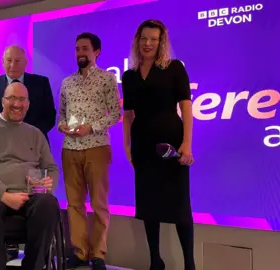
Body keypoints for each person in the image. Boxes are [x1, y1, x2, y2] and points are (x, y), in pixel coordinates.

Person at [121, 19, 195, 270]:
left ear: (161, 41)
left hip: (170, 143)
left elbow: (186, 105)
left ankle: (190, 264)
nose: (148, 43)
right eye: (144, 38)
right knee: (148, 204)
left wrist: (187, 143)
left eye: (153, 38)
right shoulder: (129, 75)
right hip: (142, 145)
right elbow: (128, 114)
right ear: (137, 41)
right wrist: (127, 145)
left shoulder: (174, 68)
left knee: (179, 206)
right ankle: (155, 261)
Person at [0, 82, 61, 270]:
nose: (17, 104)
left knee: (49, 204)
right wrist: (4, 195)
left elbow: (51, 168)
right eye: (12, 98)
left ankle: (33, 267)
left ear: (28, 104)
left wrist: (47, 183)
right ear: (2, 101)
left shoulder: (36, 134)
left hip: (30, 196)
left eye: (22, 99)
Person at [58, 32, 121, 270]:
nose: (80, 53)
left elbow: (115, 114)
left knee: (99, 204)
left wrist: (91, 128)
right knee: (74, 204)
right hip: (70, 148)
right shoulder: (67, 82)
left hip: (97, 147)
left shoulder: (107, 79)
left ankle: (98, 254)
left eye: (85, 48)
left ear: (96, 52)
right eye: (77, 49)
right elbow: (61, 116)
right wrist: (63, 126)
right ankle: (80, 252)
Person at [0, 45, 56, 143]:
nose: (13, 65)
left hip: (34, 142)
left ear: (25, 63)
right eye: (9, 60)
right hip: (0, 144)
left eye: (17, 61)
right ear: (3, 62)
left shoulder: (41, 83)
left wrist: (29, 134)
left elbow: (49, 115)